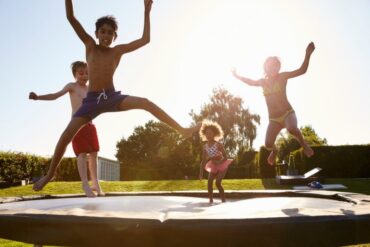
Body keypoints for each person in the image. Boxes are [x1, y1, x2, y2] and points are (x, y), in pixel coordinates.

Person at [33, 0, 200, 191]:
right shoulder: (90, 46)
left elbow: (145, 40)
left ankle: (182, 130)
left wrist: (147, 11)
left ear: (114, 36)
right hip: (92, 101)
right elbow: (71, 18)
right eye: (102, 31)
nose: (106, 35)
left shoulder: (117, 51)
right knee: (65, 136)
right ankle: (50, 174)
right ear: (96, 34)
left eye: (110, 33)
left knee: (146, 102)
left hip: (111, 97)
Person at [232, 42, 315, 165]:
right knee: (268, 144)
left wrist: (307, 54)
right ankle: (275, 151)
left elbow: (302, 70)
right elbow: (250, 82)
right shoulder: (262, 82)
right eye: (271, 66)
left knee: (292, 128)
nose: (274, 68)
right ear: (265, 68)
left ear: (278, 68)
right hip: (274, 119)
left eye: (276, 66)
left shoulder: (282, 77)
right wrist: (237, 76)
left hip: (288, 113)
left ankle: (304, 144)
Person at [29, 61, 104, 197]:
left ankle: (96, 183)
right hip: (76, 125)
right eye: (81, 73)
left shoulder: (90, 89)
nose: (84, 76)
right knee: (81, 154)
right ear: (75, 74)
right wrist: (38, 97)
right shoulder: (72, 86)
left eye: (87, 73)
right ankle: (85, 184)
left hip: (90, 125)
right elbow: (55, 95)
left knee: (94, 154)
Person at [199, 120, 233, 203]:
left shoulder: (218, 144)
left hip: (222, 164)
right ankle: (210, 200)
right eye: (207, 133)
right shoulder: (205, 147)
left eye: (210, 133)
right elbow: (203, 161)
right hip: (213, 165)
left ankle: (223, 200)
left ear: (214, 134)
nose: (208, 135)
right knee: (209, 181)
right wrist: (201, 173)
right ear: (204, 134)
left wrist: (220, 162)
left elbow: (225, 157)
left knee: (218, 183)